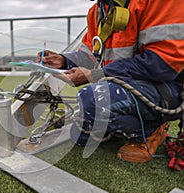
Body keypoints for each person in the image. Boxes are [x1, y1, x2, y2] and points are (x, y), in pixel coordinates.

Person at [37, 0, 184, 163]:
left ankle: (151, 130)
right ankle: (120, 124)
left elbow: (162, 64)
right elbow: (90, 56)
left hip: (164, 88)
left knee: (94, 100)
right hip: (127, 83)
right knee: (79, 137)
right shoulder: (98, 10)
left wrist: (97, 75)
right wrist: (63, 61)